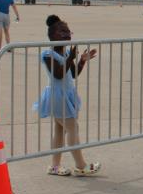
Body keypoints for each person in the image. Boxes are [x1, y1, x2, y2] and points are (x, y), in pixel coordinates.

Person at [35, 15, 101, 176]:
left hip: (66, 94)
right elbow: (58, 74)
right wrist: (71, 57)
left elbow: (72, 74)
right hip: (57, 96)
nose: (66, 35)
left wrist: (81, 61)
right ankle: (81, 165)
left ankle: (54, 166)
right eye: (62, 32)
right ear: (52, 36)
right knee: (73, 128)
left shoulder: (65, 53)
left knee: (60, 130)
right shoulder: (48, 54)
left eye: (68, 31)